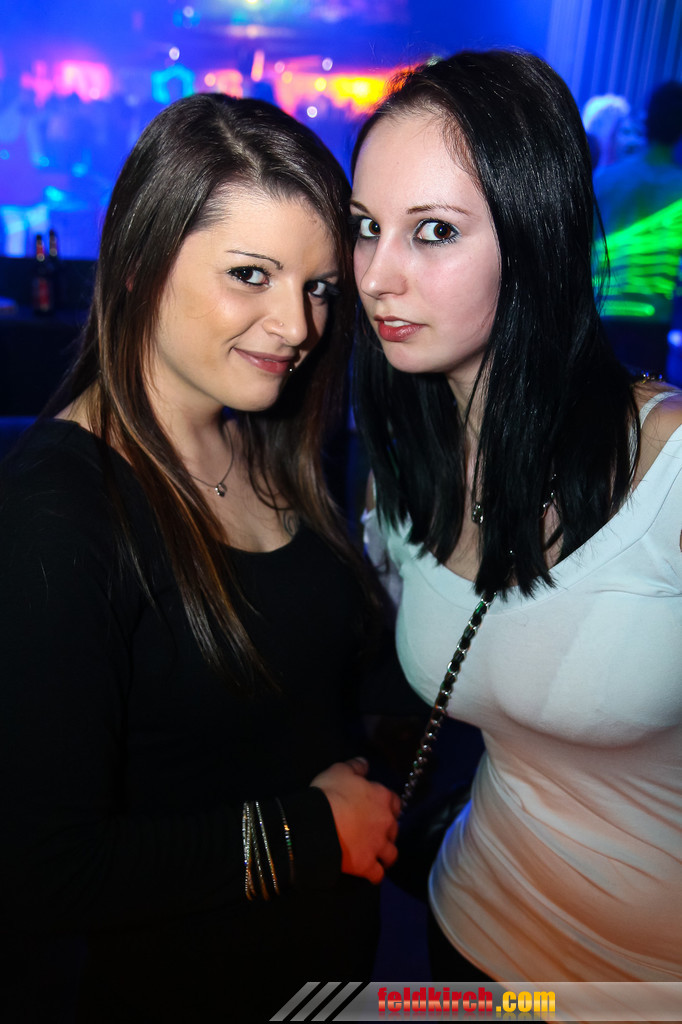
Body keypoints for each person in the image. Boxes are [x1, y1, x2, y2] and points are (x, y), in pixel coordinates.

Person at [0, 92, 402, 1022]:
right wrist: (310, 833)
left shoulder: (265, 437)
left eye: (318, 287)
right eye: (251, 275)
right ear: (139, 266)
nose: (297, 326)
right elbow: (41, 869)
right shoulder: (59, 516)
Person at [350, 50, 682, 983]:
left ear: (536, 237)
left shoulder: (669, 469)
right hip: (467, 931)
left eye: (433, 231)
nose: (376, 275)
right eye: (366, 227)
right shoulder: (402, 465)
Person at [593, 80, 682, 378]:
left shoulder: (607, 179)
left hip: (602, 312)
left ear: (648, 119)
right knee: (644, 403)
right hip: (653, 321)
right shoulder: (679, 189)